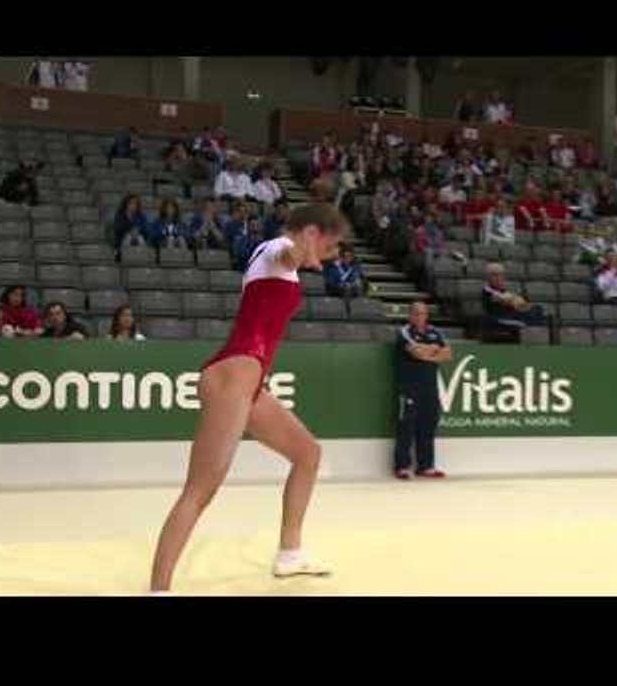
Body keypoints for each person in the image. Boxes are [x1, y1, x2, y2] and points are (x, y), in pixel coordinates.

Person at [150, 203, 346, 592]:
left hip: (249, 379)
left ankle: (290, 553)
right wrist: (302, 249)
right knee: (200, 491)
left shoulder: (281, 265)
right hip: (233, 374)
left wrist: (308, 251)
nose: (328, 255)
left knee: (308, 454)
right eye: (328, 245)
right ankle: (159, 589)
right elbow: (284, 252)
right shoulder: (276, 250)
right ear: (311, 232)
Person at [394, 301, 452, 480]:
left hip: (430, 388)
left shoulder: (436, 332)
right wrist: (434, 350)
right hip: (409, 388)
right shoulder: (404, 332)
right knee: (406, 427)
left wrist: (429, 352)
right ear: (410, 315)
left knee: (428, 427)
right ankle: (402, 466)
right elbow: (416, 352)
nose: (420, 317)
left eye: (423, 313)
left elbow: (448, 354)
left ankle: (426, 466)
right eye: (416, 314)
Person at [482, 262, 546, 330]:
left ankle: (535, 326)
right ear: (488, 277)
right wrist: (513, 300)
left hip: (513, 315)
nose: (499, 278)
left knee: (537, 309)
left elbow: (521, 304)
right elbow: (507, 301)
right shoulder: (487, 291)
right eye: (495, 275)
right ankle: (532, 326)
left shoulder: (504, 291)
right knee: (530, 322)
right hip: (500, 318)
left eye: (501, 275)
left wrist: (516, 301)